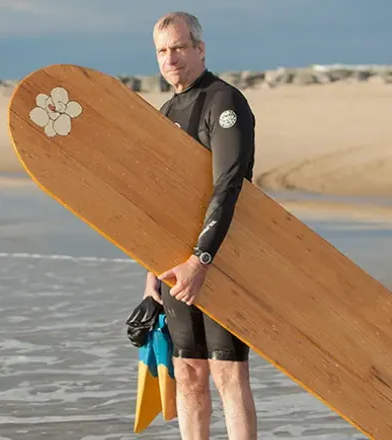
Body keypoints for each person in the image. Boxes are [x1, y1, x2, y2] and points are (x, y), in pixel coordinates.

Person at [144, 11, 257, 440]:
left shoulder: (224, 102)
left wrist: (201, 259)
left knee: (229, 373)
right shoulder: (165, 112)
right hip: (175, 262)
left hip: (223, 257)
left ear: (200, 49)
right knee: (188, 371)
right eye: (162, 50)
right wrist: (150, 274)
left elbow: (229, 186)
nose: (170, 58)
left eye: (178, 47)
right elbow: (159, 204)